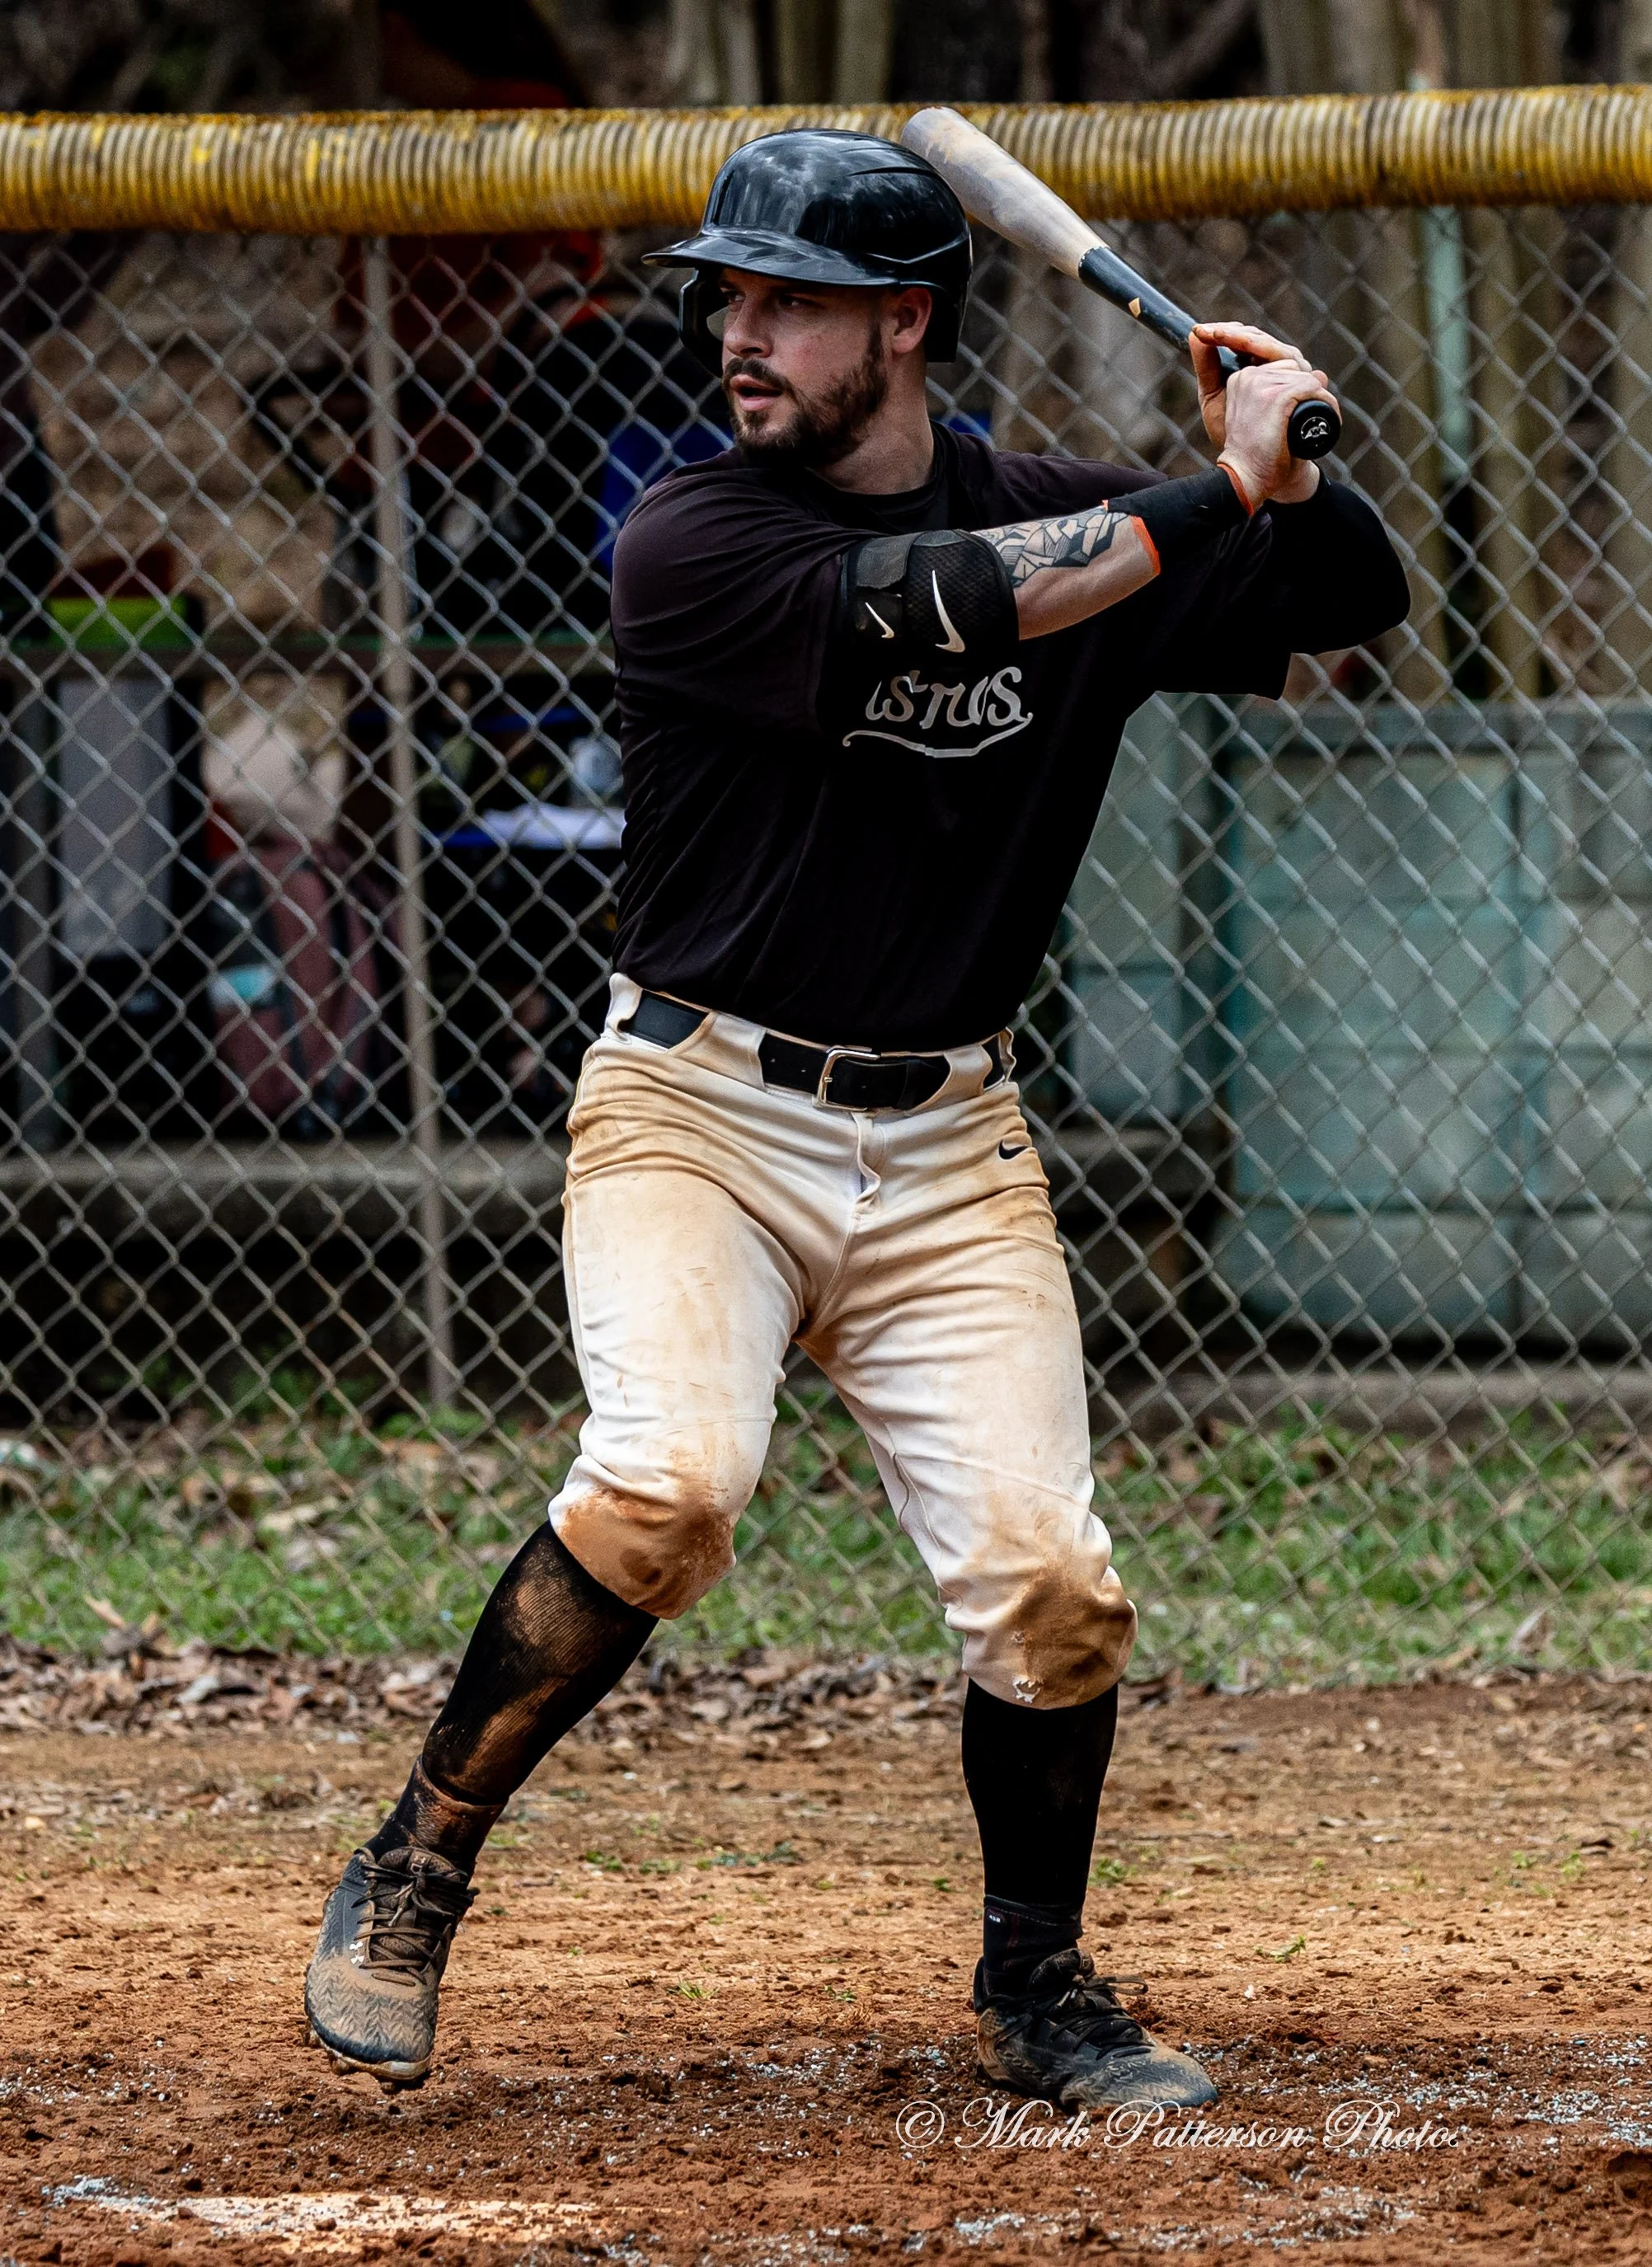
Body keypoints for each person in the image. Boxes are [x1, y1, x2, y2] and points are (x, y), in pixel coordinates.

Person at [304, 129, 1409, 2105]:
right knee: (668, 1490)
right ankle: (415, 1858)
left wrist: (1291, 443)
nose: (739, 335)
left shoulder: (1086, 510)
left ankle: (1038, 1985)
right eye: (729, 297)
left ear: (903, 324)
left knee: (1051, 1585)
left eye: (788, 304)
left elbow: (1357, 590)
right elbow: (945, 605)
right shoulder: (693, 540)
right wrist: (1205, 485)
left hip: (950, 1145)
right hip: (698, 1112)